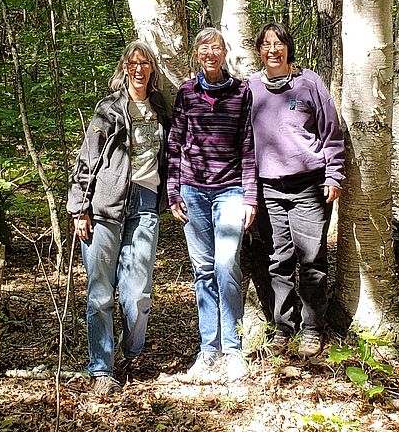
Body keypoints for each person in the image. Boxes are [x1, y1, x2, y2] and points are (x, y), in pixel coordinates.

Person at [67, 41, 169, 396]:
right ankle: (101, 368)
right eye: (133, 63)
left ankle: (132, 351)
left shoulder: (159, 106)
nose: (139, 69)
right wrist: (79, 206)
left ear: (152, 69)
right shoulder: (108, 108)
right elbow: (87, 157)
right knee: (99, 294)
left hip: (146, 202)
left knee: (138, 294)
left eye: (145, 63)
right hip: (105, 206)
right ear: (125, 67)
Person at [248, 22, 345, 358]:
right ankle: (282, 328)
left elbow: (332, 131)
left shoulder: (309, 82)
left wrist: (334, 175)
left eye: (279, 43)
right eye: (266, 44)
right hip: (268, 188)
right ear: (259, 50)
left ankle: (313, 328)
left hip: (310, 184)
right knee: (278, 261)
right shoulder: (251, 88)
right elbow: (243, 144)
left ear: (288, 47)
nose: (273, 49)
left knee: (312, 259)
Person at [167, 28, 257, 383]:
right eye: (204, 48)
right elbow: (175, 142)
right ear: (196, 55)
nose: (210, 54)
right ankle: (209, 351)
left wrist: (250, 195)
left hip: (230, 190)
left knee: (226, 265)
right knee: (203, 270)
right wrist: (174, 190)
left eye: (216, 48)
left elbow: (249, 145)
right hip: (192, 190)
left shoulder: (241, 92)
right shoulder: (186, 93)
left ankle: (233, 350)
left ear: (225, 53)